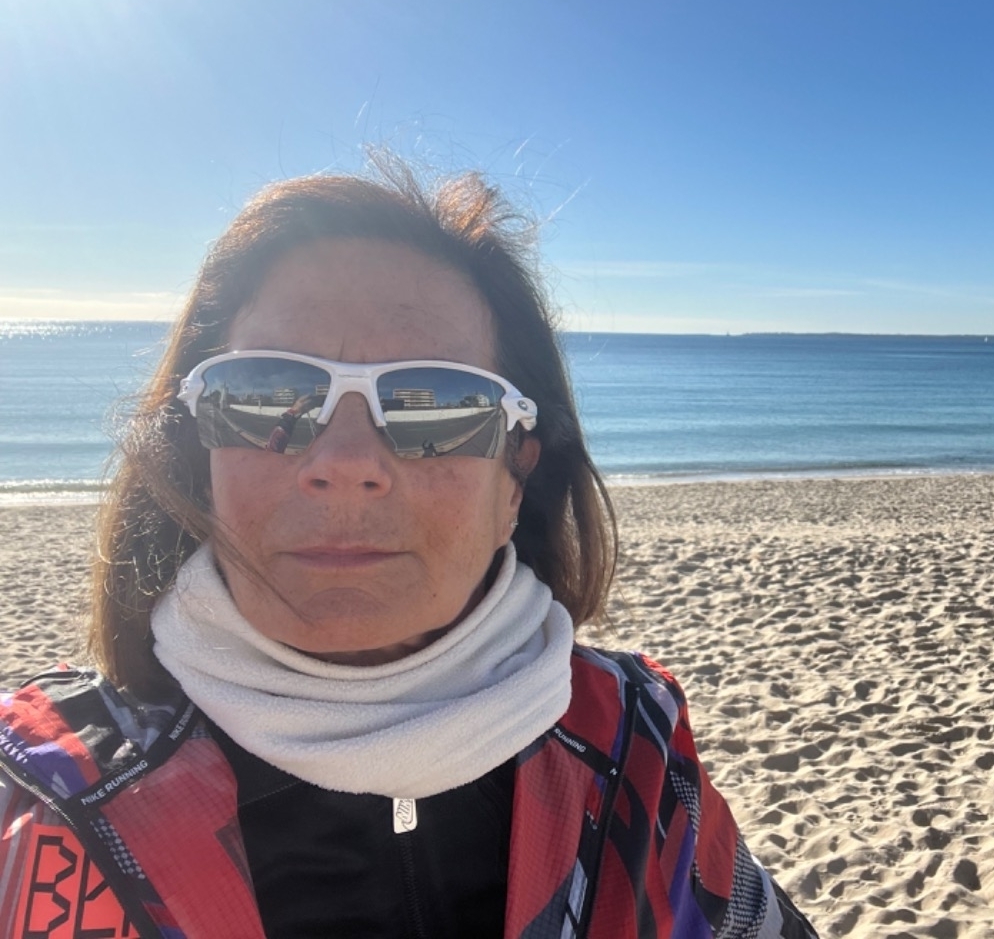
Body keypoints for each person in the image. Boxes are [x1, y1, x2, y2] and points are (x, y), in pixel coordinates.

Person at [0, 161, 816, 938]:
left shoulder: (639, 744)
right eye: (268, 394)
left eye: (438, 408)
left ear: (515, 480)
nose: (345, 463)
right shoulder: (35, 797)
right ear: (197, 452)